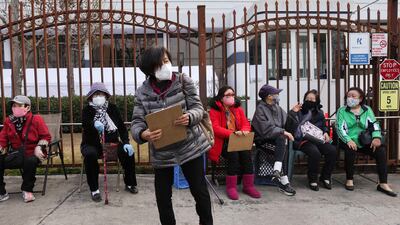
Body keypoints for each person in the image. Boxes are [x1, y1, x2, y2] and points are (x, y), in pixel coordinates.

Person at [131, 46, 213, 225]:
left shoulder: (183, 81)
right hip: (162, 152)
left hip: (190, 146)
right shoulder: (142, 92)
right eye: (159, 64)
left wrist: (189, 117)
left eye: (166, 61)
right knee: (162, 197)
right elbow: (137, 123)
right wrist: (143, 134)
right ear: (150, 69)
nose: (165, 66)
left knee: (200, 192)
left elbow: (199, 108)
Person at [81, 82, 138, 202]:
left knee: (128, 153)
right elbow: (85, 124)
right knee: (90, 155)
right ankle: (94, 189)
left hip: (112, 143)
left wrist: (126, 142)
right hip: (92, 144)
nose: (98, 97)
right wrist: (94, 124)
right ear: (91, 97)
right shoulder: (87, 110)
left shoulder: (113, 108)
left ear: (106, 95)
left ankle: (130, 183)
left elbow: (122, 128)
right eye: (95, 94)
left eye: (100, 94)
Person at [336, 87, 397, 197]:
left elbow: (374, 124)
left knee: (381, 150)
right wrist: (348, 140)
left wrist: (376, 137)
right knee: (350, 149)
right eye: (348, 96)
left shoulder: (367, 109)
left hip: (364, 141)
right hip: (349, 140)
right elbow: (340, 128)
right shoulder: (342, 111)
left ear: (360, 98)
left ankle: (383, 183)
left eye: (353, 96)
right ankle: (349, 179)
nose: (350, 98)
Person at [208, 86, 261, 200]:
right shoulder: (214, 110)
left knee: (247, 154)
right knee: (234, 154)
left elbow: (246, 123)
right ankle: (231, 187)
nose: (231, 97)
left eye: (232, 95)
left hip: (239, 138)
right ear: (221, 98)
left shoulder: (238, 109)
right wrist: (232, 134)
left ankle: (248, 186)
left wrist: (244, 131)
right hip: (223, 142)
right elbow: (215, 128)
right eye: (228, 95)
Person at [0, 95, 51, 203]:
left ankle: (27, 190)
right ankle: (1, 192)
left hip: (33, 152)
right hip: (16, 153)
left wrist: (40, 147)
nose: (15, 108)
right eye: (13, 105)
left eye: (18, 105)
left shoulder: (36, 119)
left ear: (27, 107)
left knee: (30, 160)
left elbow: (46, 136)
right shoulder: (9, 121)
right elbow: (3, 138)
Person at [285, 89, 337, 191]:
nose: (309, 100)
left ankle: (325, 177)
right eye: (307, 98)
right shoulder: (298, 110)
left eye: (312, 99)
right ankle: (313, 179)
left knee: (332, 151)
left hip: (317, 139)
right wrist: (292, 113)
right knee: (315, 153)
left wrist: (326, 132)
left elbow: (323, 126)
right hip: (302, 140)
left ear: (317, 101)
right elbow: (288, 127)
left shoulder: (319, 112)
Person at [252, 84, 296, 196]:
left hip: (276, 140)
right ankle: (284, 183)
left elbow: (286, 123)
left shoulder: (277, 107)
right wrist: (283, 132)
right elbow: (264, 129)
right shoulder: (260, 109)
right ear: (268, 96)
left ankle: (278, 174)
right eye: (275, 93)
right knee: (282, 148)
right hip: (262, 141)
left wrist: (293, 112)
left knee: (281, 146)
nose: (277, 95)